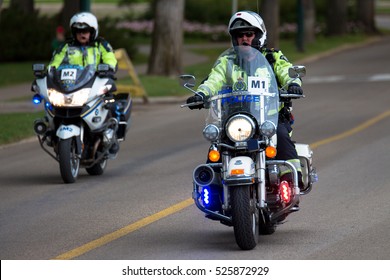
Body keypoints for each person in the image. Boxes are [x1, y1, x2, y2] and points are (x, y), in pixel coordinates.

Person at [186, 11, 304, 191]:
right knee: (216, 149)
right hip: (235, 120)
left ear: (259, 35)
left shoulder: (272, 57)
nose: (245, 39)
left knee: (280, 135)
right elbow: (213, 80)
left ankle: (293, 179)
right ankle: (211, 188)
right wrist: (201, 94)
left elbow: (287, 72)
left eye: (249, 34)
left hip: (269, 120)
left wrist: (293, 84)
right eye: (239, 35)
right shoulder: (227, 61)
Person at [48, 12, 120, 154]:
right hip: (71, 86)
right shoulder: (66, 47)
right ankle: (51, 132)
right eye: (78, 31)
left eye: (85, 31)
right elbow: (54, 63)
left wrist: (108, 68)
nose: (82, 34)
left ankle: (113, 135)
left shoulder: (101, 45)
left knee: (111, 102)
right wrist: (49, 72)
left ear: (92, 31)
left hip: (96, 82)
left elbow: (111, 59)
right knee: (50, 104)